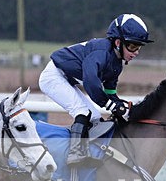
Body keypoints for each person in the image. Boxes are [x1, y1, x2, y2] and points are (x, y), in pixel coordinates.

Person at [38, 13, 153, 165]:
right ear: (118, 42)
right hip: (53, 76)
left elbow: (110, 91)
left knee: (95, 118)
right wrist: (111, 105)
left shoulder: (117, 63)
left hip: (65, 78)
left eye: (139, 47)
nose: (136, 52)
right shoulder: (101, 52)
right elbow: (91, 83)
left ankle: (88, 153)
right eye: (132, 46)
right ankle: (74, 154)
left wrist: (120, 105)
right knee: (82, 112)